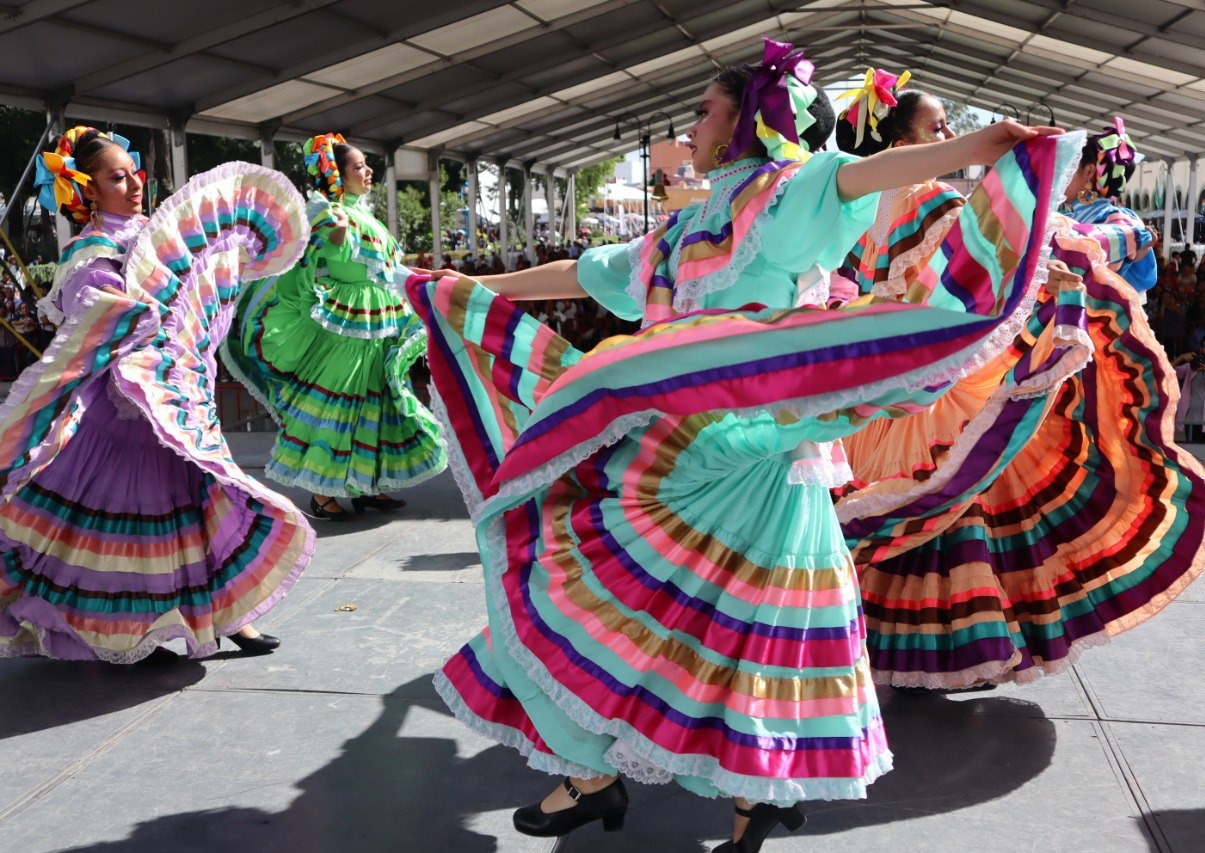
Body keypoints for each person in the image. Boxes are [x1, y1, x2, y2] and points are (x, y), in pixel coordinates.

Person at [406, 40, 1080, 852]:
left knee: (755, 626)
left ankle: (747, 798)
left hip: (759, 455)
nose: (690, 126)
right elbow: (584, 274)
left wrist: (983, 146)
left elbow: (880, 170)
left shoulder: (800, 194)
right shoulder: (684, 228)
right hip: (667, 457)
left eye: (703, 110)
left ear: (746, 121)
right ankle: (599, 775)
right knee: (582, 590)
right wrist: (459, 289)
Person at [829, 72, 1205, 689]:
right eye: (937, 127)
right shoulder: (932, 200)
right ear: (904, 138)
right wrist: (1125, 235)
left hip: (886, 385)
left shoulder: (857, 208)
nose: (950, 134)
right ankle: (958, 653)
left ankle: (880, 645)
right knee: (963, 496)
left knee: (901, 502)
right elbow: (1022, 248)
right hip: (941, 378)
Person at [0, 126, 313, 661]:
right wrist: (134, 312)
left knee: (202, 506)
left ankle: (222, 617)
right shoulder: (87, 255)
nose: (134, 184)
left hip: (180, 398)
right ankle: (120, 627)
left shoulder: (163, 233)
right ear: (88, 190)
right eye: (117, 177)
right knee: (129, 525)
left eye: (134, 173)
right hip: (125, 418)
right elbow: (93, 319)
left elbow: (201, 293)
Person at [222, 134, 445, 521]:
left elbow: (383, 266)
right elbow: (328, 250)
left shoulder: (360, 212)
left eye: (364, 165)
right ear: (337, 175)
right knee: (338, 403)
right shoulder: (327, 210)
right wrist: (336, 230)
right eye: (358, 166)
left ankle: (367, 485)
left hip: (377, 319)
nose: (368, 171)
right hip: (348, 322)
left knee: (375, 402)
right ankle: (321, 494)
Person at [1061, 118, 1157, 294]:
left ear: (1089, 172)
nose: (1061, 177)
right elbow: (1145, 279)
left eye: (1070, 169)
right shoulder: (1126, 221)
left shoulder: (1067, 221)